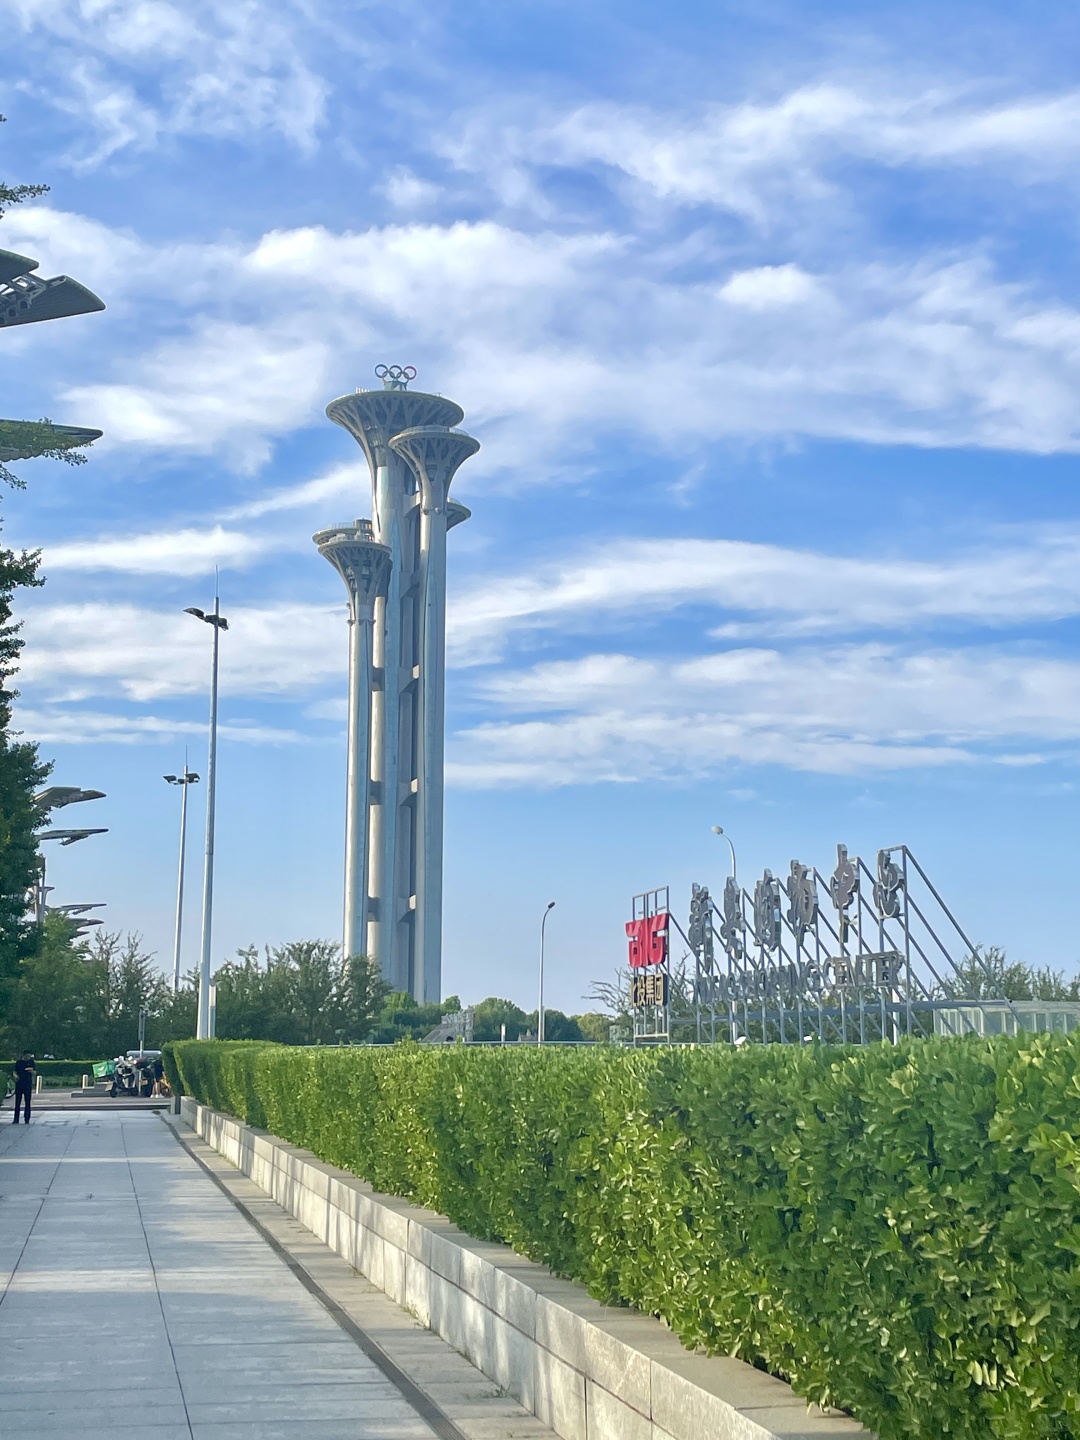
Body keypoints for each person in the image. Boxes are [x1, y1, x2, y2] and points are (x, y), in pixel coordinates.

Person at [12, 1051, 35, 1124]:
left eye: (29, 1056)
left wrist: (31, 1071)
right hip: (19, 1084)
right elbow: (15, 1071)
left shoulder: (31, 1062)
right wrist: (15, 1076)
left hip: (27, 1084)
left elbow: (34, 1072)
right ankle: (16, 1119)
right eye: (27, 1056)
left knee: (27, 1102)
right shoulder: (19, 1062)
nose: (28, 1058)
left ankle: (27, 1119)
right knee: (17, 1102)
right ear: (24, 1055)